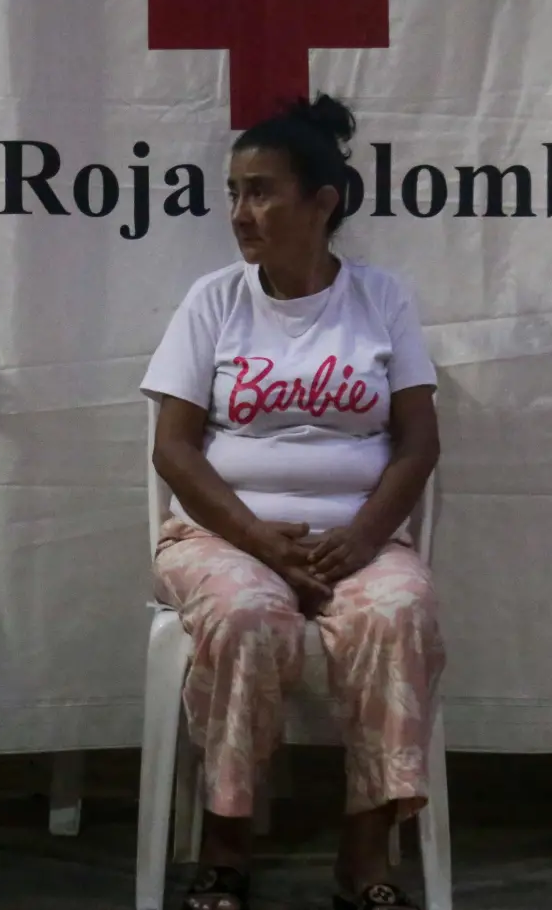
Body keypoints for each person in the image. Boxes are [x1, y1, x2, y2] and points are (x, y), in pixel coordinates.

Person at [140, 92, 446, 910]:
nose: (241, 212)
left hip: (359, 539)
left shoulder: (382, 299)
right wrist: (260, 543)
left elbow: (418, 443)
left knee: (400, 611)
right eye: (234, 191)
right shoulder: (215, 300)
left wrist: (360, 541)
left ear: (323, 202)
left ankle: (365, 853)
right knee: (245, 618)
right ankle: (227, 847)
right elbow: (173, 449)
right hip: (224, 540)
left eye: (262, 190)